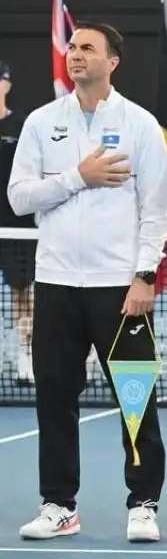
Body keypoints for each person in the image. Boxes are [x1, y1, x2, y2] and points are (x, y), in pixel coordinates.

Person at [9, 22, 167, 543]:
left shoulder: (140, 125)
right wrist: (78, 176)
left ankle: (143, 503)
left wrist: (144, 276)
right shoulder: (41, 122)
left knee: (135, 399)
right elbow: (19, 198)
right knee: (55, 398)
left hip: (120, 288)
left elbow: (156, 210)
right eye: (73, 48)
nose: (76, 55)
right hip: (56, 284)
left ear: (112, 61)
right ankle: (59, 505)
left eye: (87, 48)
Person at [0, 60, 36, 386]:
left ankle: (26, 358)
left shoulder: (23, 125)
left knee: (22, 294)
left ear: (7, 85)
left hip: (15, 226)